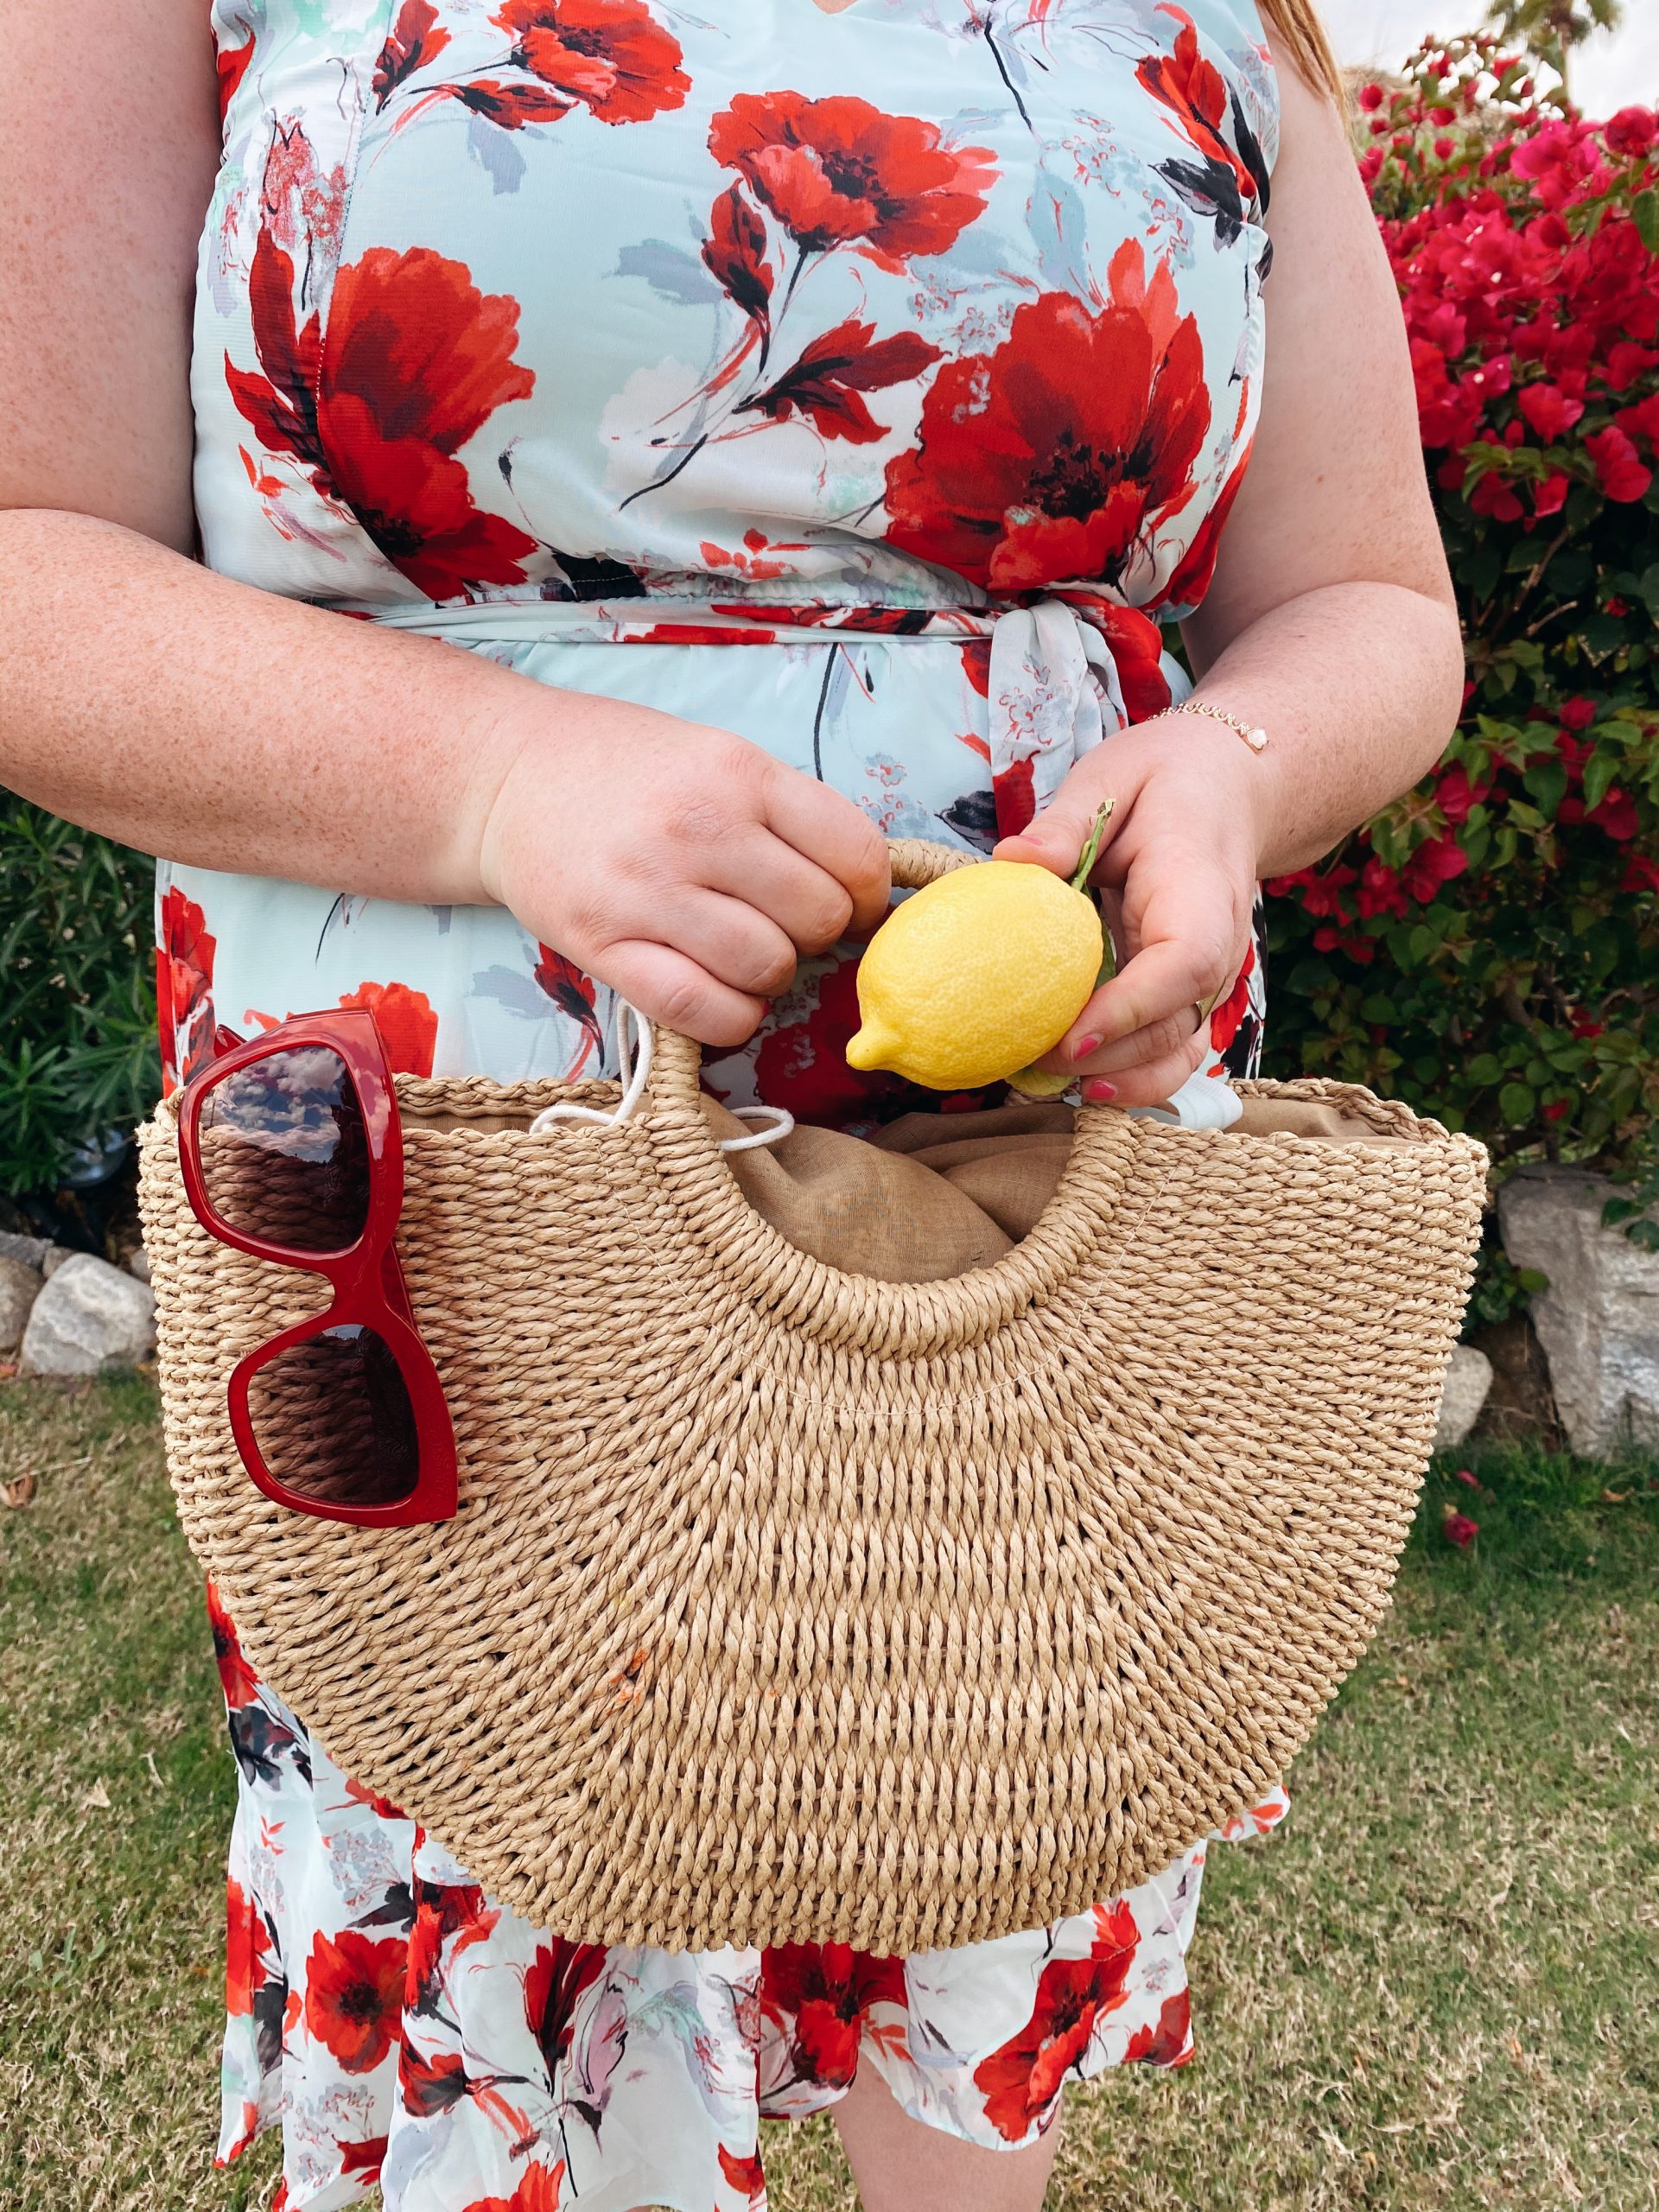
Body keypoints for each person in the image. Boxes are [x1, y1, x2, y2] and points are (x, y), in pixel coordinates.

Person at [0, 1, 1462, 2206]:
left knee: (987, 1821)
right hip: (473, 1220)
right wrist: (500, 780)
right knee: (504, 1893)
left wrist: (1232, 773)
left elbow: (1367, 596)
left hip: (1036, 1174)